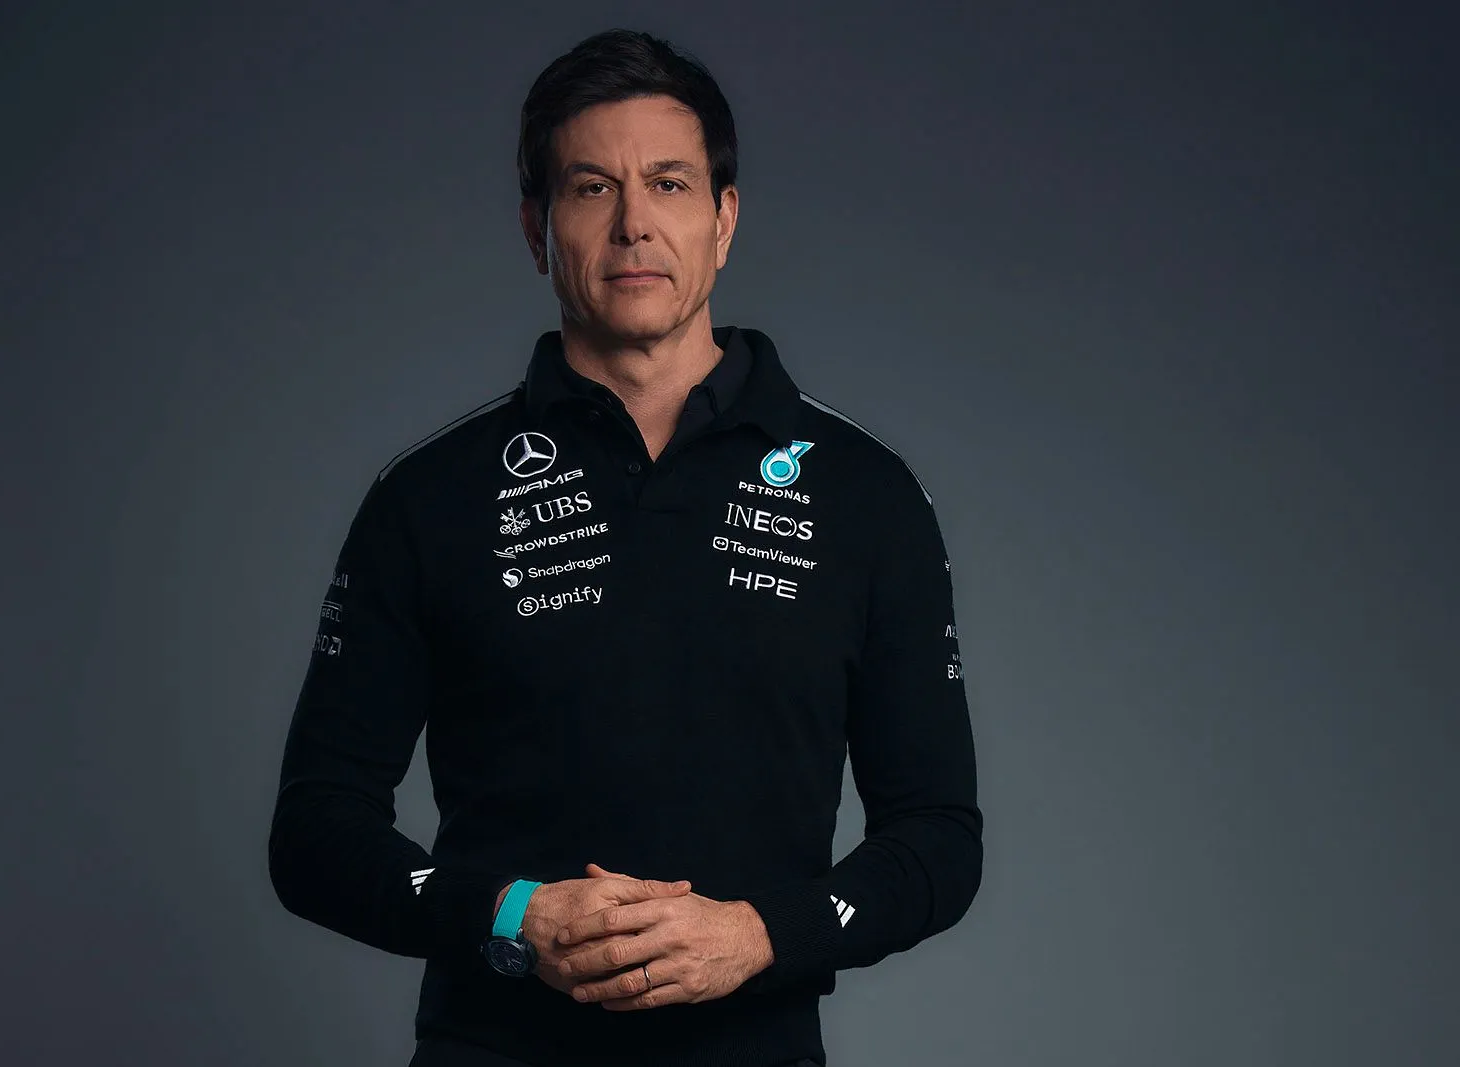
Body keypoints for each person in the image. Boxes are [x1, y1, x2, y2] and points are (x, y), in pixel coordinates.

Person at [268, 26, 982, 1067]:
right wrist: (512, 915)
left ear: (724, 219)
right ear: (537, 227)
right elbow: (314, 831)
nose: (634, 222)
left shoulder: (866, 497)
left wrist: (761, 933)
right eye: (592, 187)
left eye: (670, 184)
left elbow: (939, 837)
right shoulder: (427, 498)